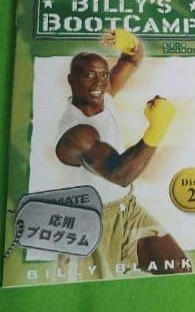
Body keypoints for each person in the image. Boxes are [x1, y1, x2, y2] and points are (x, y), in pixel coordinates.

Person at [55, 29, 188, 278]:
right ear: (72, 80)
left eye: (104, 75)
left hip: (127, 210)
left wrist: (128, 43)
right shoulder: (76, 132)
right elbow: (121, 175)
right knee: (95, 296)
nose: (99, 83)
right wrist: (158, 127)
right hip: (87, 221)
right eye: (89, 76)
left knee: (179, 268)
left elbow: (134, 57)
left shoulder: (103, 96)